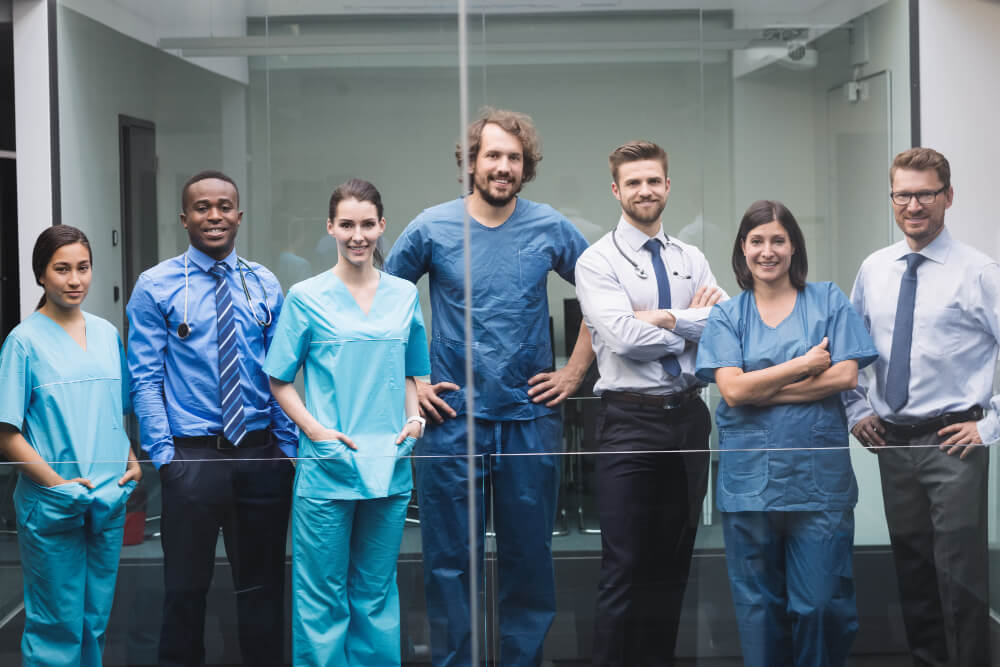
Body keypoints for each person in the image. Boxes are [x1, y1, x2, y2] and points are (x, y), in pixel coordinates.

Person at [384, 107, 594, 666]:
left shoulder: (550, 226)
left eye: (514, 158)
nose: (503, 167)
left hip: (529, 418)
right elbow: (383, 306)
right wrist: (414, 383)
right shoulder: (431, 227)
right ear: (471, 161)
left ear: (527, 168)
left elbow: (606, 294)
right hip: (453, 422)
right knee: (450, 562)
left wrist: (574, 372)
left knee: (529, 559)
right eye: (493, 155)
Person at [695, 200, 877, 667]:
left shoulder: (829, 299)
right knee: (758, 611)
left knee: (822, 605)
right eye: (757, 241)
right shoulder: (726, 316)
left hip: (819, 486)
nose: (767, 251)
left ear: (793, 245)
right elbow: (731, 391)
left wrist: (760, 388)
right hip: (749, 485)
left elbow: (844, 378)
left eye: (778, 239)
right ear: (743, 248)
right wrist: (804, 365)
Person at [126, 170, 296, 667]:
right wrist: (165, 456)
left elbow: (280, 373)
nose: (214, 215)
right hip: (192, 458)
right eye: (202, 207)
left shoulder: (263, 282)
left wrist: (285, 450)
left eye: (224, 206)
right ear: (184, 218)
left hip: (261, 456)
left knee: (263, 590)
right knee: (185, 591)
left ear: (239, 216)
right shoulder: (155, 286)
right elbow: (144, 378)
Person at [264, 179, 431, 666]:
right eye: (347, 225)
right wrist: (315, 432)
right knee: (322, 598)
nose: (357, 235)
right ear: (331, 227)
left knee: (376, 594)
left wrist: (415, 418)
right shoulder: (305, 296)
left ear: (382, 226)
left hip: (388, 464)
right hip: (328, 467)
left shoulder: (403, 295)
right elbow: (279, 381)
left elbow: (411, 371)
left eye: (367, 224)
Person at [844, 147, 999, 667]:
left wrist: (992, 425)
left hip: (953, 446)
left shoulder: (978, 271)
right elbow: (850, 350)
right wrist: (855, 409)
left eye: (925, 194)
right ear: (892, 199)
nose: (914, 205)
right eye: (903, 194)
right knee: (912, 576)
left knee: (960, 581)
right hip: (894, 444)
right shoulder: (874, 269)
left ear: (947, 197)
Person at [574, 140, 723, 666]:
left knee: (673, 560)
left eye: (653, 181)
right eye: (633, 182)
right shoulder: (597, 261)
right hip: (628, 422)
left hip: (687, 419)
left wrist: (660, 318)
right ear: (616, 190)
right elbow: (620, 339)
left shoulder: (692, 258)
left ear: (666, 186)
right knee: (624, 565)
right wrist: (688, 324)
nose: (644, 190)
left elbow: (728, 327)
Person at [0, 225, 141, 667]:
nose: (74, 280)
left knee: (93, 620)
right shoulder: (23, 342)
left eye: (83, 268)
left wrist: (133, 462)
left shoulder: (105, 335)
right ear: (41, 275)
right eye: (62, 269)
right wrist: (58, 484)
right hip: (53, 502)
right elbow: (6, 432)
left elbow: (111, 412)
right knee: (54, 624)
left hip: (108, 496)